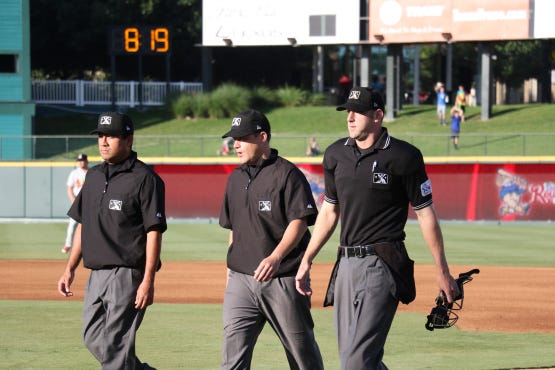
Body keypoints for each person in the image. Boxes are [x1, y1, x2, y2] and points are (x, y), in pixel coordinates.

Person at [294, 87, 460, 369]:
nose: (350, 117)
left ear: (377, 116)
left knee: (356, 362)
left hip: (383, 262)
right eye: (347, 111)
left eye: (357, 111)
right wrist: (306, 259)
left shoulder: (404, 156)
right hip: (345, 264)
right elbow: (329, 211)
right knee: (354, 359)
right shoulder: (335, 155)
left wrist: (442, 270)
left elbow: (425, 215)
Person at [57, 112, 167, 370]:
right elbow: (83, 226)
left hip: (127, 275)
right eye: (101, 135)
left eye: (112, 136)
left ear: (128, 140)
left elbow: (154, 231)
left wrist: (148, 279)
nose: (104, 141)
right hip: (96, 274)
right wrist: (69, 268)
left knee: (117, 344)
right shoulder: (93, 177)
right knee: (93, 338)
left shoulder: (145, 179)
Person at [219, 109, 324, 370]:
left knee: (302, 356)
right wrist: (230, 271)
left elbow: (299, 222)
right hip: (241, 281)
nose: (236, 145)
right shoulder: (234, 178)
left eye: (242, 138)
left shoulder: (287, 175)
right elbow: (234, 228)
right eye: (234, 139)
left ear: (262, 136)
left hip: (283, 279)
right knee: (232, 360)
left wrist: (276, 256)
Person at [62, 153, 88, 253]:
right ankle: (68, 245)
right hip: (77, 202)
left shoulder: (91, 172)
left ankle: (87, 247)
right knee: (72, 224)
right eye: (79, 161)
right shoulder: (74, 173)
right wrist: (74, 202)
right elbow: (69, 188)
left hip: (88, 203)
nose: (81, 162)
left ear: (86, 161)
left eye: (82, 160)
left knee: (90, 226)